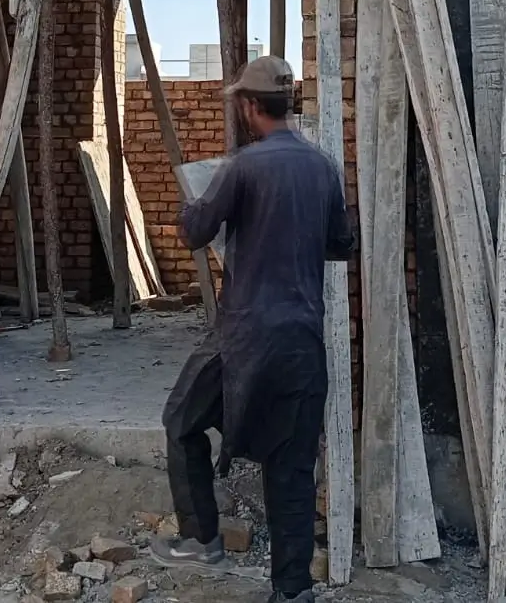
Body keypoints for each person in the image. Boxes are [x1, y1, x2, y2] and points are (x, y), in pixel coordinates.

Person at [151, 55, 354, 603]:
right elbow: (343, 244)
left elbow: (196, 232)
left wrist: (198, 205)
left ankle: (201, 537)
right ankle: (292, 592)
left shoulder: (242, 167)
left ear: (246, 106)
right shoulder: (323, 168)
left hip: (242, 339)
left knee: (181, 420)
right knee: (289, 466)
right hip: (302, 342)